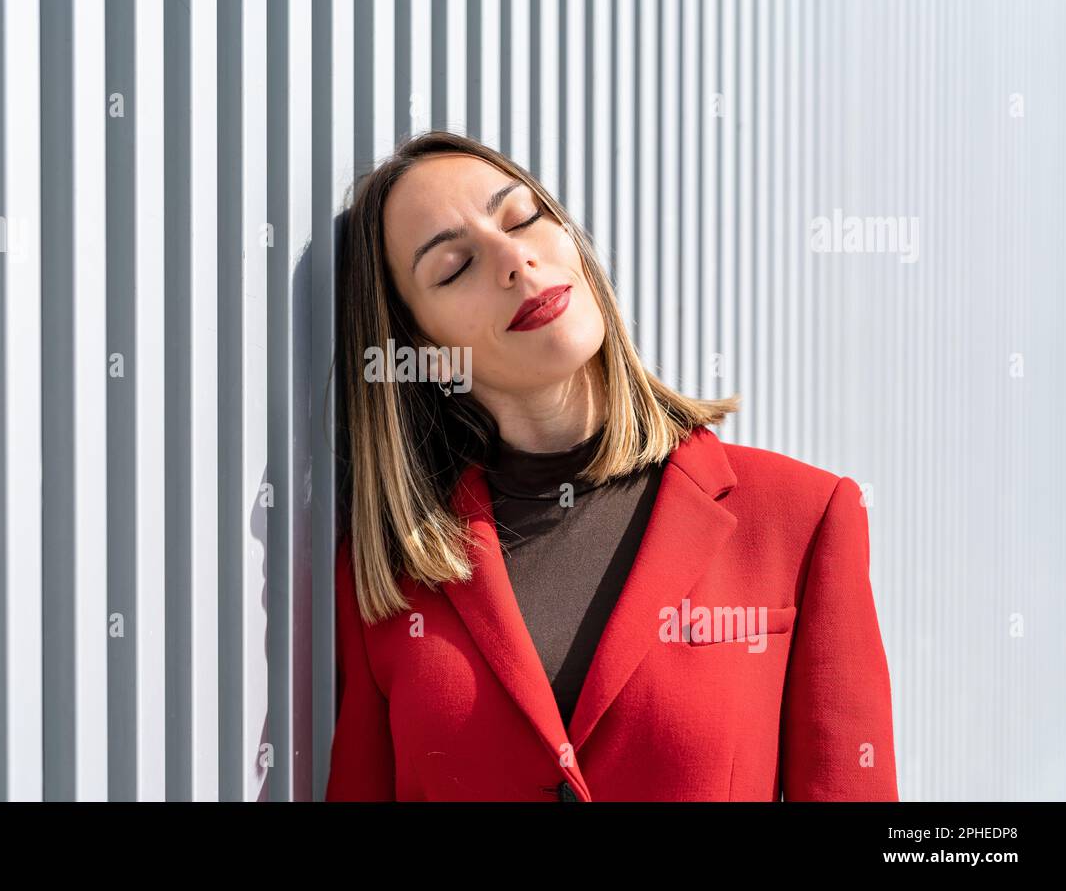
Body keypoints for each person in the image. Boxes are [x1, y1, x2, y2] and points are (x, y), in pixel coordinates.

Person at [325, 130, 898, 802]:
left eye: (524, 218)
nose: (515, 259)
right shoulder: (388, 576)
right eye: (454, 267)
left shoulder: (801, 516)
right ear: (419, 344)